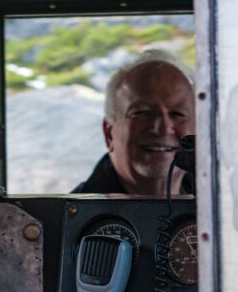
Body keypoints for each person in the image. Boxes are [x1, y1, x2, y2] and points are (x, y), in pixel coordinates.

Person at [73, 49, 196, 195]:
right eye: (142, 113)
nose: (163, 128)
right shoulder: (66, 216)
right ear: (108, 134)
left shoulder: (223, 210)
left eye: (177, 114)